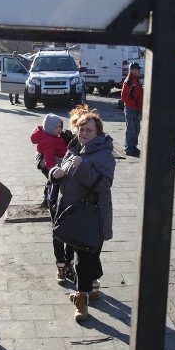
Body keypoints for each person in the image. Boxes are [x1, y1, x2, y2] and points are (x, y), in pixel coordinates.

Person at [50, 109, 115, 321]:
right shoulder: (74, 149)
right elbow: (61, 170)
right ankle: (92, 288)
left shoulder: (103, 154)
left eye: (89, 130)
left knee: (84, 259)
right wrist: (54, 173)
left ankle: (82, 301)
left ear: (98, 133)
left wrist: (83, 167)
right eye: (81, 129)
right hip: (72, 213)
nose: (84, 133)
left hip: (91, 217)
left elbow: (105, 184)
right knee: (89, 255)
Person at [30, 114, 75, 284]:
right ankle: (61, 265)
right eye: (57, 127)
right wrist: (54, 172)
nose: (60, 130)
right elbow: (48, 161)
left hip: (72, 192)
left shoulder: (63, 137)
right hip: (56, 191)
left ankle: (69, 263)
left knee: (71, 230)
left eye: (61, 127)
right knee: (58, 230)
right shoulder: (48, 141)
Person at [121, 62, 143, 157]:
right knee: (131, 129)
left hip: (136, 109)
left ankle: (133, 146)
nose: (139, 71)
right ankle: (129, 148)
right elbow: (124, 96)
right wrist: (134, 107)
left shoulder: (136, 80)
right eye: (137, 69)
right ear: (133, 70)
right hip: (131, 109)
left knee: (136, 129)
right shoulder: (129, 81)